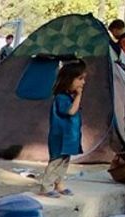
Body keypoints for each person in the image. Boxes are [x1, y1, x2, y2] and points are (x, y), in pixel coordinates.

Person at [43, 60, 86, 197]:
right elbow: (71, 112)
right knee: (56, 161)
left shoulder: (68, 97)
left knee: (65, 161)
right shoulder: (61, 98)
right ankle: (47, 185)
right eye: (80, 79)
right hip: (60, 136)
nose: (83, 83)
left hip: (69, 136)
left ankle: (59, 183)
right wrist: (79, 96)